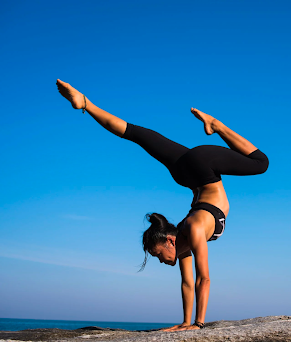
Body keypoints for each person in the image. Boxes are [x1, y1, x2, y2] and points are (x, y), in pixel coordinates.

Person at [56, 79, 269, 331]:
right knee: (135, 134)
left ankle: (216, 125)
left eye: (157, 254)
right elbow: (188, 283)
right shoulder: (183, 240)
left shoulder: (192, 229)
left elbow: (204, 278)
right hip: (186, 173)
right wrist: (185, 323)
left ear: (169, 240)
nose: (160, 261)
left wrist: (198, 325)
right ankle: (85, 104)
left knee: (260, 163)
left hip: (203, 167)